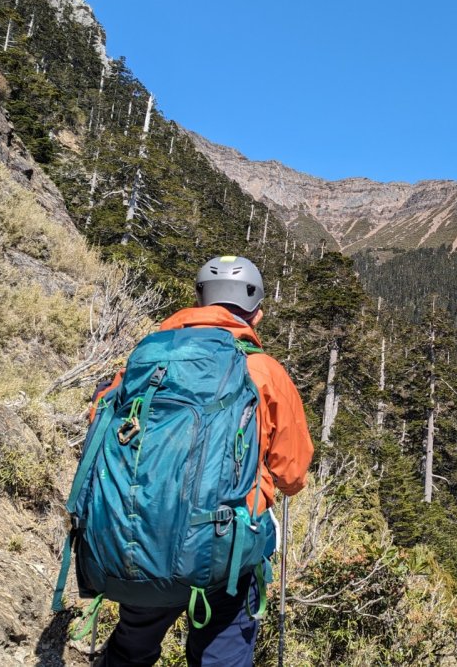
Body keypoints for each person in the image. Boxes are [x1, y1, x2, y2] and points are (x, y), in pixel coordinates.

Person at [95, 255, 314, 666]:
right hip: (223, 549)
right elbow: (292, 472)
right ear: (257, 313)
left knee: (132, 646)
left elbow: (100, 422)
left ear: (198, 301)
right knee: (221, 654)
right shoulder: (264, 370)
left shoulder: (146, 358)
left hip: (142, 536)